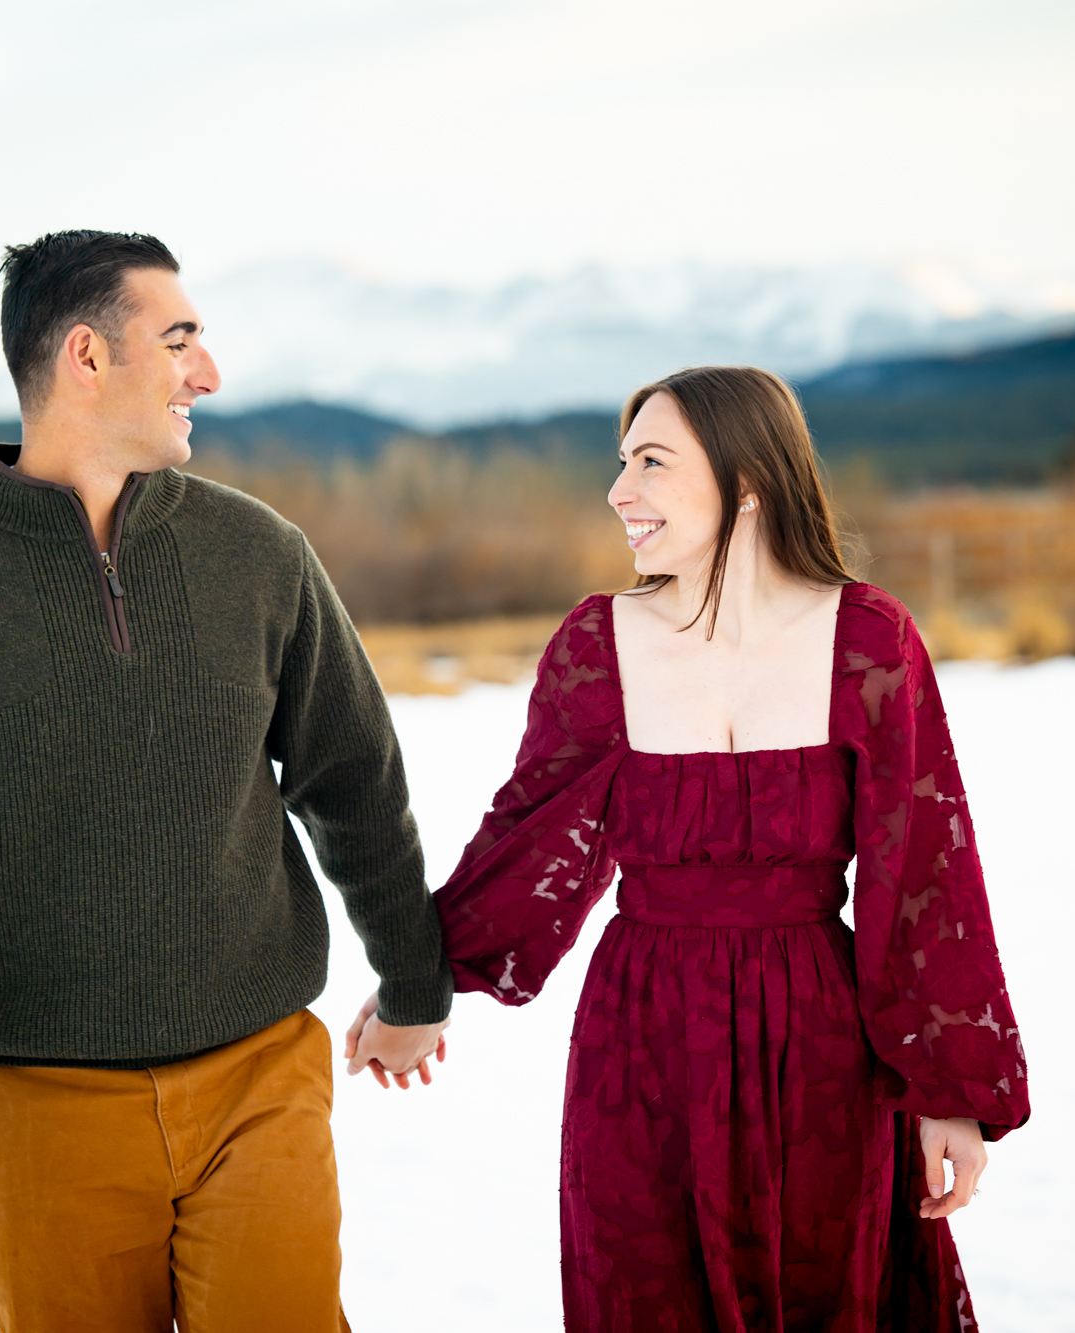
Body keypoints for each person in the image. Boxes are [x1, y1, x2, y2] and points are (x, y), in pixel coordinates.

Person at [0, 229, 451, 1332]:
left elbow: (352, 775)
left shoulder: (259, 552)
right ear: (86, 358)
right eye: (180, 340)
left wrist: (412, 976)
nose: (207, 374)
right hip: (34, 1102)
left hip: (259, 1075)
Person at [425, 366, 1029, 1330]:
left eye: (652, 462)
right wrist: (425, 977)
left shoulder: (869, 640)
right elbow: (531, 842)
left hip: (824, 1044)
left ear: (747, 479)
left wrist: (951, 1089)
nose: (620, 491)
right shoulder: (597, 646)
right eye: (621, 462)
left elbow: (925, 874)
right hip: (643, 1043)